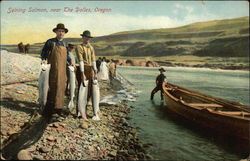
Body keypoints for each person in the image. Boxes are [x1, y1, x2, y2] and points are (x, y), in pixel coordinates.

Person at [40, 23, 72, 116]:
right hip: (52, 69)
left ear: (64, 33)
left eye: (62, 31)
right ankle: (49, 110)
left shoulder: (65, 44)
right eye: (59, 31)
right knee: (52, 86)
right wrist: (44, 59)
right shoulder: (50, 42)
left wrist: (71, 62)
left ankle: (59, 108)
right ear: (56, 32)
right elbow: (44, 52)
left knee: (61, 87)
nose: (61, 33)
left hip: (62, 70)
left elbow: (66, 56)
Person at [75, 30, 98, 120]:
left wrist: (95, 71)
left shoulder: (91, 48)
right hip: (82, 68)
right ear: (83, 37)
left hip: (90, 69)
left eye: (89, 38)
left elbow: (93, 60)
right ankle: (79, 112)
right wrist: (82, 73)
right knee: (81, 91)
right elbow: (80, 60)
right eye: (86, 37)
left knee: (88, 92)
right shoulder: (79, 47)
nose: (87, 39)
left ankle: (84, 110)